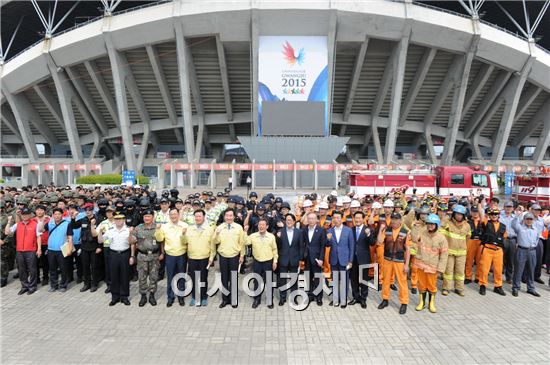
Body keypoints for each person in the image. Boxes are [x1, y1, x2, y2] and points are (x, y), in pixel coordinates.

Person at [413, 214, 448, 313]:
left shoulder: (441, 238)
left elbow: (444, 255)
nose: (430, 226)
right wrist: (415, 226)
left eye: (432, 224)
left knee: (432, 286)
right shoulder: (422, 232)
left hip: (433, 267)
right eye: (428, 224)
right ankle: (422, 303)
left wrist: (441, 269)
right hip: (421, 265)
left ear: (437, 225)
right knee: (422, 285)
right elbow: (414, 238)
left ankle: (431, 303)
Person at [377, 212, 411, 315]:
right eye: (393, 219)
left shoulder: (406, 232)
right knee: (386, 281)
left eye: (396, 219)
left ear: (400, 221)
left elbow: (408, 250)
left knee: (402, 282)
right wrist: (380, 229)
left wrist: (406, 264)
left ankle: (404, 303)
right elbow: (379, 241)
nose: (394, 221)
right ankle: (385, 299)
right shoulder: (386, 230)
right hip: (387, 259)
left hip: (400, 261)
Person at [212, 208, 246, 308]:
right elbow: (215, 242)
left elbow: (242, 243)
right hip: (223, 256)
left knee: (234, 278)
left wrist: (242, 255)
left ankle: (233, 299)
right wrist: (217, 234)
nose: (229, 217)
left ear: (234, 217)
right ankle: (225, 299)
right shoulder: (220, 227)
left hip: (234, 256)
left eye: (231, 215)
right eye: (227, 215)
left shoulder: (239, 227)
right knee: (224, 278)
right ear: (224, 216)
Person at [155, 208, 188, 307]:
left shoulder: (184, 226)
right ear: (169, 216)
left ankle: (181, 297)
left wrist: (183, 234)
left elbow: (186, 242)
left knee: (181, 276)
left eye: (175, 214)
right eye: (171, 215)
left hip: (181, 254)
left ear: (178, 215)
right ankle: (170, 297)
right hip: (170, 255)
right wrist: (158, 229)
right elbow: (159, 239)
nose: (173, 216)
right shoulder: (164, 227)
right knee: (171, 277)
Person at [4, 207, 41, 295]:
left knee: (32, 269)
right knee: (21, 269)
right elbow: (7, 232)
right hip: (20, 250)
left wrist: (39, 249)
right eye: (23, 214)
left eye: (27, 214)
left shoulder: (35, 224)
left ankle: (32, 286)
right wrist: (9, 222)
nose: (25, 216)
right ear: (21, 215)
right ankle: (24, 286)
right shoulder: (18, 224)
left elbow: (38, 237)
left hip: (31, 250)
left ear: (30, 215)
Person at [182, 209, 215, 307]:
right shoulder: (189, 228)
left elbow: (213, 245)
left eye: (199, 216)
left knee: (203, 278)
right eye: (196, 216)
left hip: (204, 257)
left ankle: (204, 297)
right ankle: (194, 297)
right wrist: (183, 234)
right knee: (193, 278)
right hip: (192, 257)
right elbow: (184, 242)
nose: (198, 218)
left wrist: (212, 256)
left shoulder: (209, 229)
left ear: (204, 217)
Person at [98, 213, 131, 306]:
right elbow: (100, 241)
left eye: (120, 219)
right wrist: (100, 232)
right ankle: (115, 297)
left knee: (125, 275)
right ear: (114, 221)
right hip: (113, 254)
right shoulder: (110, 231)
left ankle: (124, 296)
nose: (118, 221)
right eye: (116, 219)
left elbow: (132, 242)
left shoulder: (128, 230)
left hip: (125, 253)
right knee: (114, 276)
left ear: (124, 220)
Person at [244, 217, 278, 308]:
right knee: (257, 281)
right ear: (257, 226)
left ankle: (269, 300)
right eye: (260, 225)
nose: (261, 226)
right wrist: (245, 232)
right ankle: (257, 299)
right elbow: (246, 242)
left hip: (268, 262)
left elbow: (275, 250)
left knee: (269, 281)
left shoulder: (271, 237)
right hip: (257, 262)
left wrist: (275, 261)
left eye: (263, 225)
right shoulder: (253, 236)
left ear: (267, 226)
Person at [130, 209, 161, 307]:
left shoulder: (157, 227)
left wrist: (162, 253)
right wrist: (130, 233)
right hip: (142, 256)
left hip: (154, 256)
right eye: (145, 216)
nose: (146, 218)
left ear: (152, 217)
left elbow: (162, 241)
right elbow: (131, 242)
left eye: (149, 216)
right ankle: (143, 295)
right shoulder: (138, 228)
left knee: (154, 276)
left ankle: (152, 295)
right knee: (141, 277)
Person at [326, 210, 355, 308]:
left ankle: (343, 299)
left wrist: (350, 261)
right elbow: (327, 245)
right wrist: (328, 239)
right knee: (334, 280)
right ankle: (335, 299)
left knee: (344, 280)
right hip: (334, 259)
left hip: (344, 259)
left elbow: (352, 247)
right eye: (334, 218)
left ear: (342, 218)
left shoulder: (348, 230)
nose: (336, 220)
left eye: (338, 218)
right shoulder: (329, 231)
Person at [441, 205, 471, 297]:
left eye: (461, 214)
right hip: (449, 252)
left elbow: (468, 237)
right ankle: (446, 288)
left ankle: (459, 289)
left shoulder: (467, 225)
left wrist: (463, 246)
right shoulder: (448, 223)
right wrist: (446, 217)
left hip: (461, 253)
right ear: (453, 214)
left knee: (460, 272)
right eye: (457, 214)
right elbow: (441, 230)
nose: (459, 216)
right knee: (448, 271)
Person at [71, 203, 101, 292]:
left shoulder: (98, 219)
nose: (88, 212)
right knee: (85, 266)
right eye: (86, 210)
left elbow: (100, 234)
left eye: (89, 210)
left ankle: (94, 284)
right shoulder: (83, 219)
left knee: (94, 267)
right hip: (84, 247)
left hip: (94, 246)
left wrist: (99, 247)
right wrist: (73, 218)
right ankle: (86, 284)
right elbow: (74, 226)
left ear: (92, 210)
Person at [276, 213, 304, 306]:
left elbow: (301, 247)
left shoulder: (299, 232)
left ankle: (294, 298)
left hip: (294, 259)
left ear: (294, 221)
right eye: (287, 220)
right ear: (285, 221)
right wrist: (278, 238)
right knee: (282, 280)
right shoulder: (280, 232)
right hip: (283, 259)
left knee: (294, 280)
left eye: (290, 220)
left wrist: (300, 259)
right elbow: (277, 246)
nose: (289, 222)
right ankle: (282, 298)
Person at [43, 208, 74, 293]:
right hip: (51, 250)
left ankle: (63, 285)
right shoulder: (50, 223)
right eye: (55, 214)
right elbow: (41, 230)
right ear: (53, 215)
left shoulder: (67, 224)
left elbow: (70, 237)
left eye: (59, 214)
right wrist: (43, 221)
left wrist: (70, 249)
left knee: (63, 269)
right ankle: (53, 285)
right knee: (52, 269)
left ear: (62, 215)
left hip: (62, 250)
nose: (57, 216)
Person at [511, 212, 541, 297]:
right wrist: (517, 215)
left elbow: (537, 238)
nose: (529, 221)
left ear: (533, 220)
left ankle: (530, 288)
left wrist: (533, 246)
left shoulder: (535, 229)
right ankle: (515, 288)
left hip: (532, 251)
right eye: (527, 219)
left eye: (530, 219)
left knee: (531, 270)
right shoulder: (520, 228)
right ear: (524, 220)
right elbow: (513, 224)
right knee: (518, 270)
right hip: (522, 250)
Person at [478, 208, 507, 296]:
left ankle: (498, 286)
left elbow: (504, 237)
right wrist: (480, 203)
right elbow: (481, 213)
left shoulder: (503, 226)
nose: (494, 216)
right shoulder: (486, 223)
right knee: (484, 269)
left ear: (498, 215)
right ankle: (482, 285)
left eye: (496, 214)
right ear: (489, 215)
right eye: (492, 214)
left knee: (498, 270)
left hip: (498, 251)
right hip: (487, 249)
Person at [349, 211, 374, 309]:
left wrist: (368, 235)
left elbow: (372, 243)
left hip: (364, 259)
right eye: (356, 218)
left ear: (363, 219)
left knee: (364, 280)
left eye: (360, 218)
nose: (357, 220)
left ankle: (363, 299)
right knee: (353, 279)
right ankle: (355, 297)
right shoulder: (351, 229)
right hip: (353, 259)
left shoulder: (368, 229)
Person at [302, 212, 326, 306]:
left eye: (313, 219)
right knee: (308, 277)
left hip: (317, 259)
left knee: (317, 278)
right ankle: (310, 295)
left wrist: (321, 259)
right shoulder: (304, 230)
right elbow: (303, 243)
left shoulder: (321, 230)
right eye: (309, 219)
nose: (311, 220)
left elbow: (322, 246)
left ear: (316, 220)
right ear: (307, 219)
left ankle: (319, 297)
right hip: (307, 258)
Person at [93, 206, 116, 293]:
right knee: (108, 266)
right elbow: (95, 234)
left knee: (117, 266)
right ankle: (109, 285)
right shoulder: (103, 223)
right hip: (107, 247)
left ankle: (118, 283)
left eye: (111, 212)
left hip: (117, 246)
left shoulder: (118, 221)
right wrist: (92, 226)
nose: (109, 213)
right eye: (107, 212)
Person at [499, 201, 517, 284]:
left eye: (510, 207)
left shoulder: (516, 217)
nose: (509, 208)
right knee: (500, 259)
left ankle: (509, 277)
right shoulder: (500, 216)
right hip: (503, 239)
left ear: (513, 208)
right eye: (507, 206)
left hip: (513, 239)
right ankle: (498, 276)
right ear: (504, 207)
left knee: (511, 260)